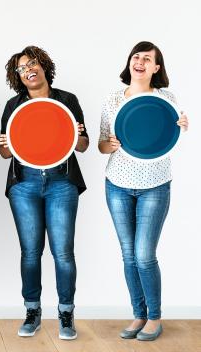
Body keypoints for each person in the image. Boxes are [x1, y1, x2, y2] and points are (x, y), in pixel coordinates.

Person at [98, 41, 189, 341]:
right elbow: (101, 144)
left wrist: (182, 124)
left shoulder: (166, 99)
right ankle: (138, 314)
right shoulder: (113, 100)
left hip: (155, 186)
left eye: (147, 58)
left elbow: (170, 132)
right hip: (118, 185)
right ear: (129, 63)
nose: (140, 61)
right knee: (128, 255)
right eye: (136, 56)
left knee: (144, 255)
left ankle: (154, 317)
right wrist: (107, 144)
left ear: (156, 68)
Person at [0, 46, 88, 340]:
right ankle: (32, 311)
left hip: (61, 181)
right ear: (18, 76)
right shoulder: (13, 106)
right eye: (22, 68)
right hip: (25, 183)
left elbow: (83, 145)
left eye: (33, 63)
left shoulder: (66, 100)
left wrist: (77, 133)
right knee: (31, 252)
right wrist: (6, 144)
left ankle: (65, 313)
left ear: (44, 65)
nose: (29, 70)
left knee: (63, 252)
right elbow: (3, 152)